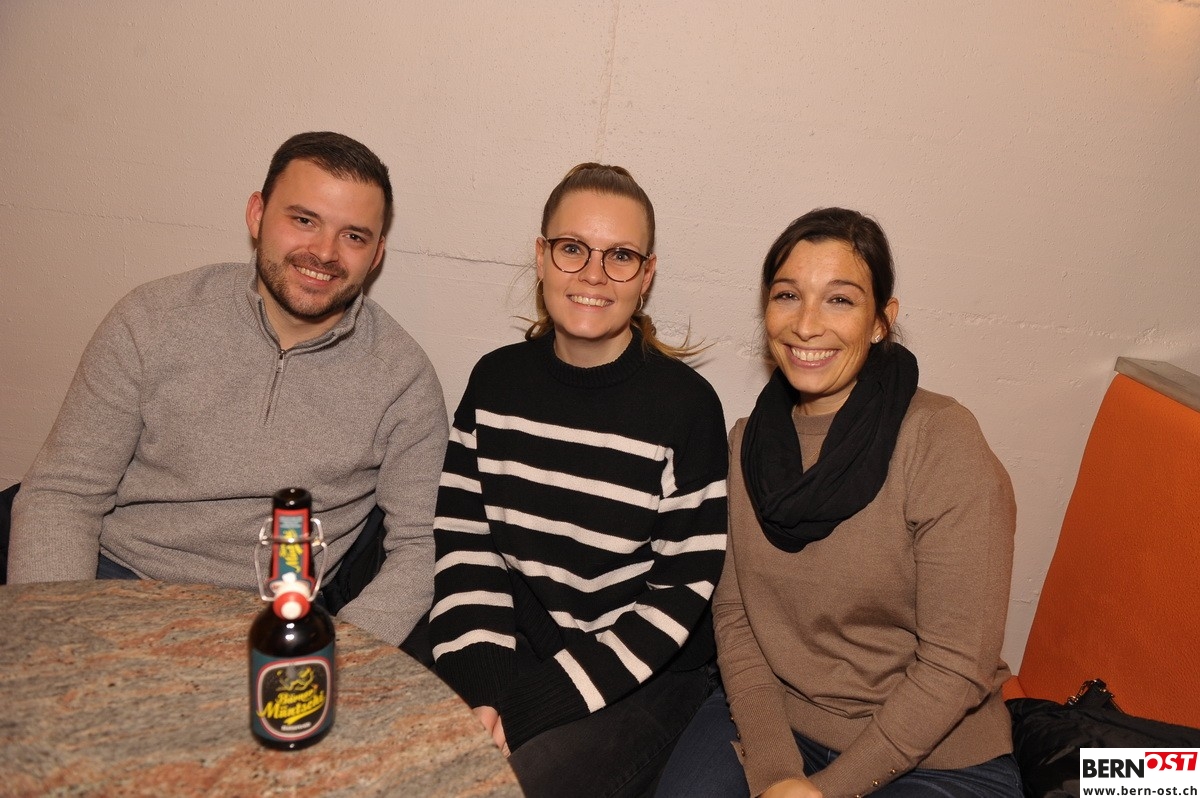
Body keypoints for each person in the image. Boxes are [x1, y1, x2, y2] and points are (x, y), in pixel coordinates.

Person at [8, 131, 447, 648]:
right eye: (304, 220)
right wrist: (58, 635)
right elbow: (64, 494)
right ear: (257, 215)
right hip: (120, 587)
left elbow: (420, 547)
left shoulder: (404, 379)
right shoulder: (151, 320)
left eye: (353, 236)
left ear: (375, 255)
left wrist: (339, 655)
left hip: (277, 622)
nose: (324, 252)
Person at [658, 208, 1021, 798]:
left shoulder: (941, 441)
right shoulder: (747, 444)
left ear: (881, 322)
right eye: (787, 295)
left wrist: (827, 790)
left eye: (840, 300)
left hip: (937, 753)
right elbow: (736, 618)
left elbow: (957, 663)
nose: (806, 325)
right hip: (779, 723)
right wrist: (777, 772)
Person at [428, 163, 729, 797]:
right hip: (519, 642)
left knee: (511, 786)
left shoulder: (687, 408)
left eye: (620, 256)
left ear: (646, 275)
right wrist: (483, 691)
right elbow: (467, 548)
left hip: (647, 672)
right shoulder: (495, 383)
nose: (594, 274)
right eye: (573, 249)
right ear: (541, 258)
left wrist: (527, 708)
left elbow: (677, 597)